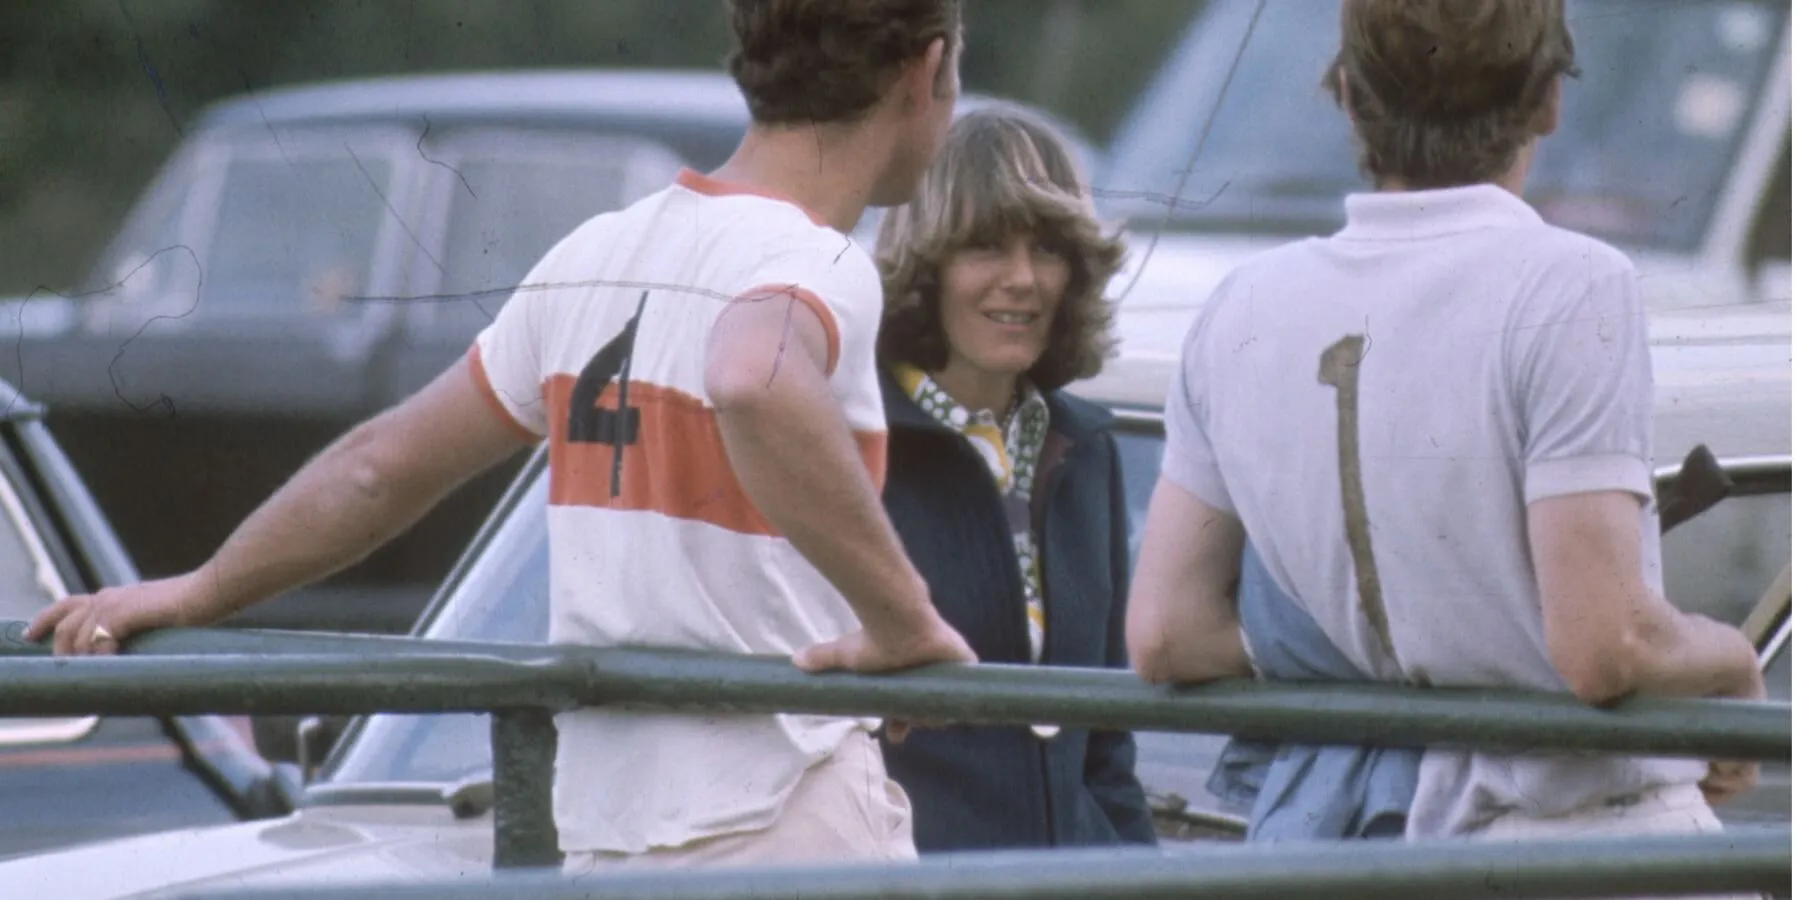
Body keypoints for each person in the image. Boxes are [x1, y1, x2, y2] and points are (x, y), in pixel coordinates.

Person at [28, 0, 979, 873]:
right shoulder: (819, 260)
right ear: (922, 70)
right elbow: (750, 376)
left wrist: (202, 588)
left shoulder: (595, 253)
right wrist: (906, 623)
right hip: (786, 814)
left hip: (607, 831)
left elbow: (376, 468)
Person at [1124, 0, 1764, 879]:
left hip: (1360, 854)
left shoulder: (1240, 304)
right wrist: (1730, 660)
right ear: (1547, 101)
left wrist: (1370, 648)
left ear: (1348, 98)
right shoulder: (1574, 284)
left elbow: (1166, 632)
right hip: (1585, 842)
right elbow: (1605, 646)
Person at [869, 105, 1158, 853]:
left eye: (1050, 248)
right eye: (986, 246)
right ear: (926, 264)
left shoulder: (1088, 448)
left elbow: (1105, 750)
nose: (1023, 278)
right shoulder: (854, 443)